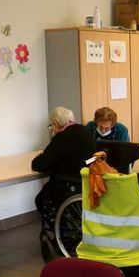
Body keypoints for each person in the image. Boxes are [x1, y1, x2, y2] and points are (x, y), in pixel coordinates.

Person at [32, 107, 96, 260]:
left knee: (41, 199)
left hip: (68, 185)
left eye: (50, 127)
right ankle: (67, 232)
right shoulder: (84, 131)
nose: (51, 130)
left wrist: (39, 156)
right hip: (87, 183)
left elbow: (40, 165)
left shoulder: (61, 138)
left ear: (55, 124)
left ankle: (61, 234)